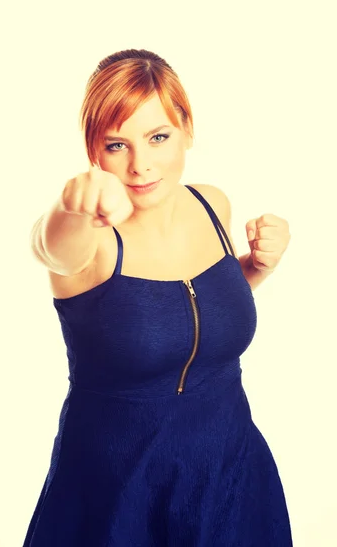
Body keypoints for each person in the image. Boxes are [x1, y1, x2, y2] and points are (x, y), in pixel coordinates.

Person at [22, 48, 293, 546]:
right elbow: (48, 249)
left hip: (229, 475)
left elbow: (185, 315)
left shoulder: (212, 204)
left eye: (158, 137)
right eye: (116, 144)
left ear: (187, 129)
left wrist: (253, 268)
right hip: (118, 493)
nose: (140, 165)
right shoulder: (90, 240)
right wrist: (68, 205)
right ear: (93, 152)